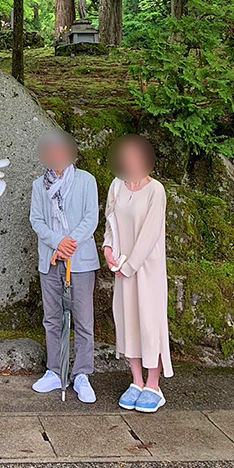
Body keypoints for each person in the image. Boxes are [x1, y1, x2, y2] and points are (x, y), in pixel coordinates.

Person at [103, 134, 173, 414]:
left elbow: (150, 234)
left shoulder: (156, 190)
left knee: (149, 323)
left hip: (147, 270)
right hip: (121, 268)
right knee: (127, 321)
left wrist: (128, 266)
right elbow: (110, 222)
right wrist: (109, 251)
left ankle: (153, 385)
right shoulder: (117, 186)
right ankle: (136, 381)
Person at [30, 130, 100, 404]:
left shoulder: (86, 181)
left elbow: (90, 218)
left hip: (80, 260)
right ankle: (55, 371)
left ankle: (82, 373)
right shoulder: (40, 185)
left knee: (83, 319)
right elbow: (37, 220)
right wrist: (58, 243)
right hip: (51, 258)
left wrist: (70, 243)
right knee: (53, 318)